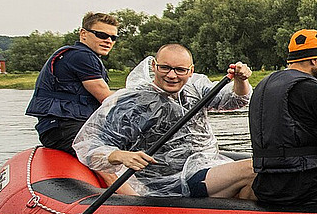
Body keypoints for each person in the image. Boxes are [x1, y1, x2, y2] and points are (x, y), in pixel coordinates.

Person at [71, 44, 256, 198]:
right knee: (253, 168)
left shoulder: (195, 89)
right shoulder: (132, 102)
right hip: (169, 183)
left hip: (205, 167)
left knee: (255, 186)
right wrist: (120, 155)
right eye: (165, 68)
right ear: (154, 66)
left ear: (190, 71)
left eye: (180, 70)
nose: (172, 75)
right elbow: (88, 146)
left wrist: (241, 80)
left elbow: (236, 100)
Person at [248, 29, 317, 206]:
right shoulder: (314, 89)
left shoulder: (263, 85)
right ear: (314, 61)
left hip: (267, 186)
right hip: (312, 187)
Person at [24, 12, 119, 154]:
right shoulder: (82, 56)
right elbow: (107, 99)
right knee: (105, 158)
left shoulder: (81, 55)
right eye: (102, 35)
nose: (108, 41)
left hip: (60, 128)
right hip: (63, 129)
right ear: (83, 33)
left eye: (113, 37)